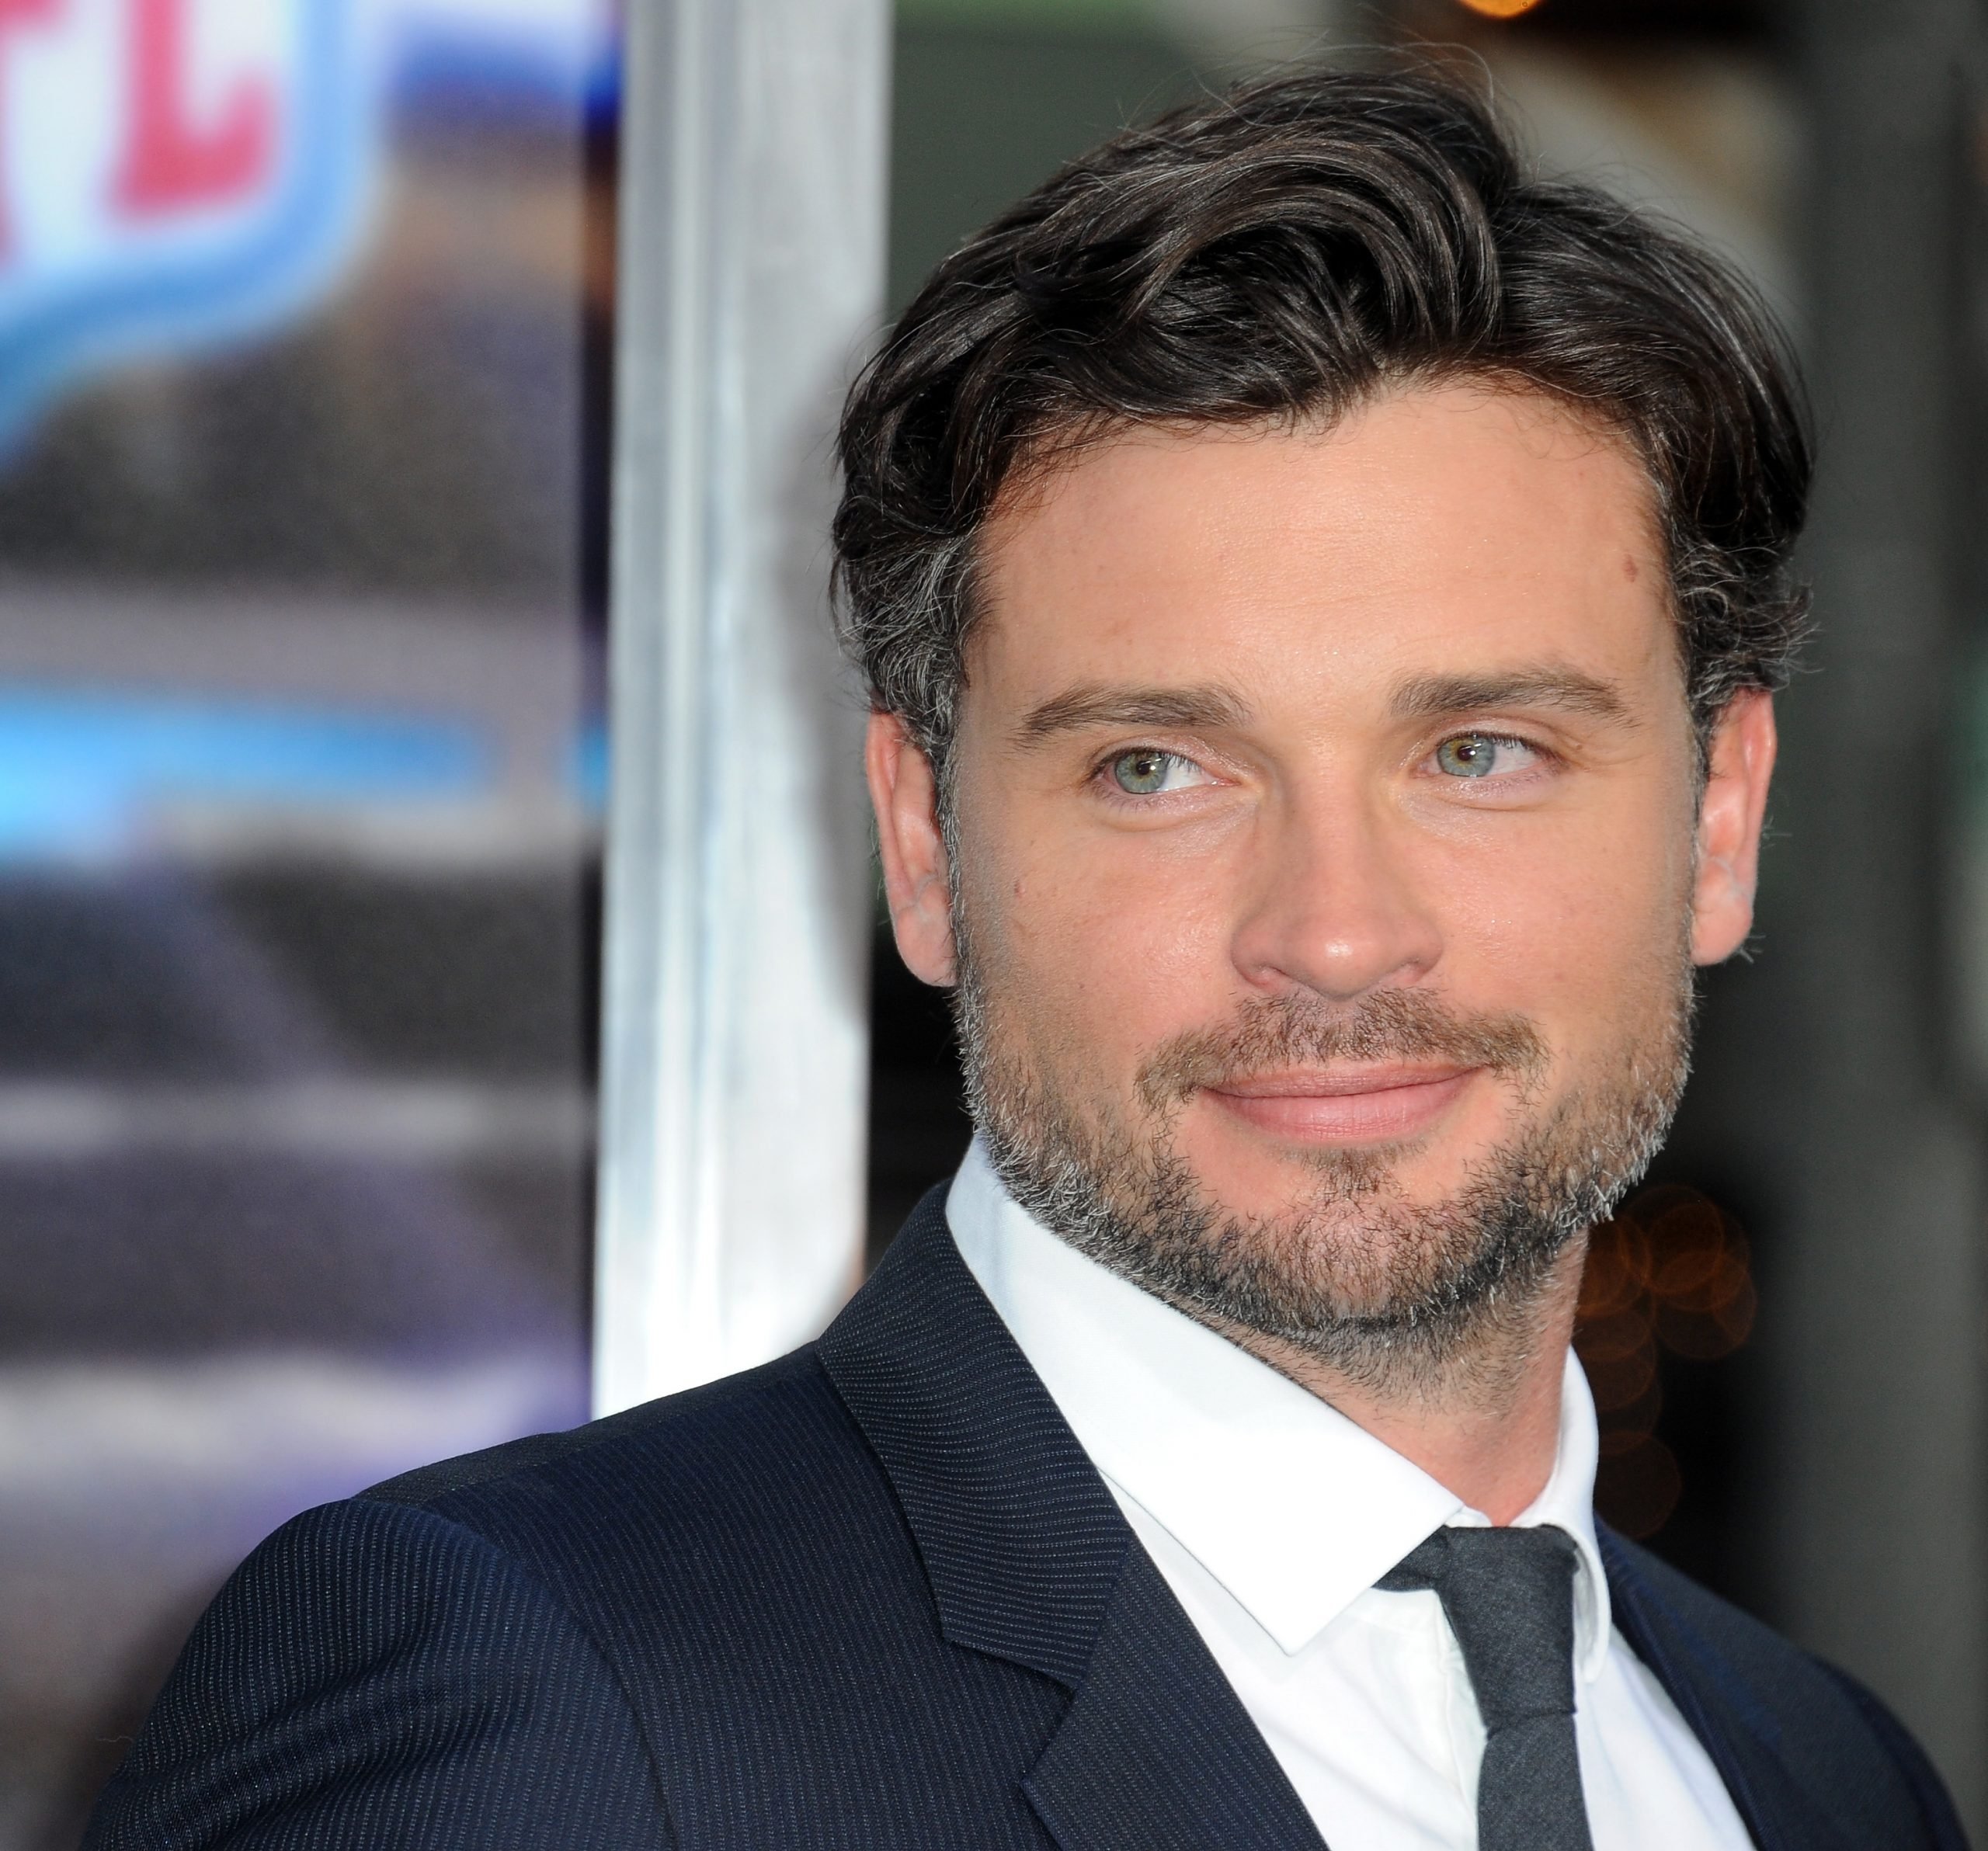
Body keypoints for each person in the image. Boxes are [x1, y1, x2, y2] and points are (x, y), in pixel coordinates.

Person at [86, 65, 1965, 1851]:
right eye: (1155, 767)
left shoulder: (1818, 1779)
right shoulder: (534, 1689)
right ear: (922, 842)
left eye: (1478, 753)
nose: (1329, 931)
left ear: (1720, 818)